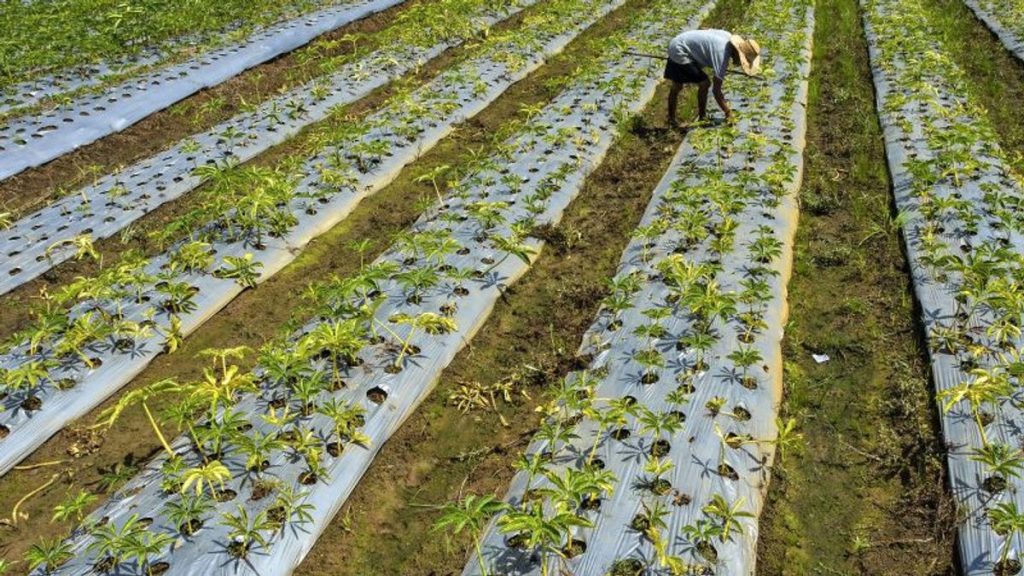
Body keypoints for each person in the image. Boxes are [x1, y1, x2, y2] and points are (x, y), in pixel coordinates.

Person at [664, 29, 761, 127]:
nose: (740, 62)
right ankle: (702, 117)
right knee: (705, 83)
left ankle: (671, 119)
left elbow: (705, 32)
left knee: (677, 85)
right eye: (741, 60)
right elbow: (716, 91)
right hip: (680, 50)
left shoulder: (727, 36)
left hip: (680, 42)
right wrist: (728, 112)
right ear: (737, 52)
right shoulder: (722, 54)